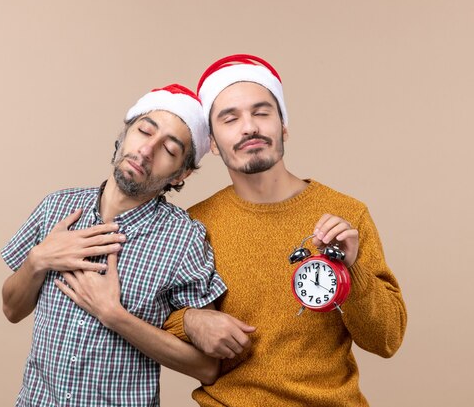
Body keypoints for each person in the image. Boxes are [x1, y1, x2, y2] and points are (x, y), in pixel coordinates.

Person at [163, 54, 408, 407]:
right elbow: (156, 317)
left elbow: (387, 340)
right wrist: (188, 321)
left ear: (284, 126)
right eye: (230, 118)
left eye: (261, 112)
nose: (249, 127)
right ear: (213, 143)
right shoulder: (194, 226)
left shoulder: (346, 215)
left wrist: (351, 270)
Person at [0, 84, 226, 406]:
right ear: (123, 135)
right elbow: (11, 309)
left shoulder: (184, 239)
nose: (147, 150)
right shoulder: (56, 207)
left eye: (170, 150)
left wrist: (114, 315)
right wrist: (38, 259)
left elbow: (206, 367)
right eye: (144, 131)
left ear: (181, 174)